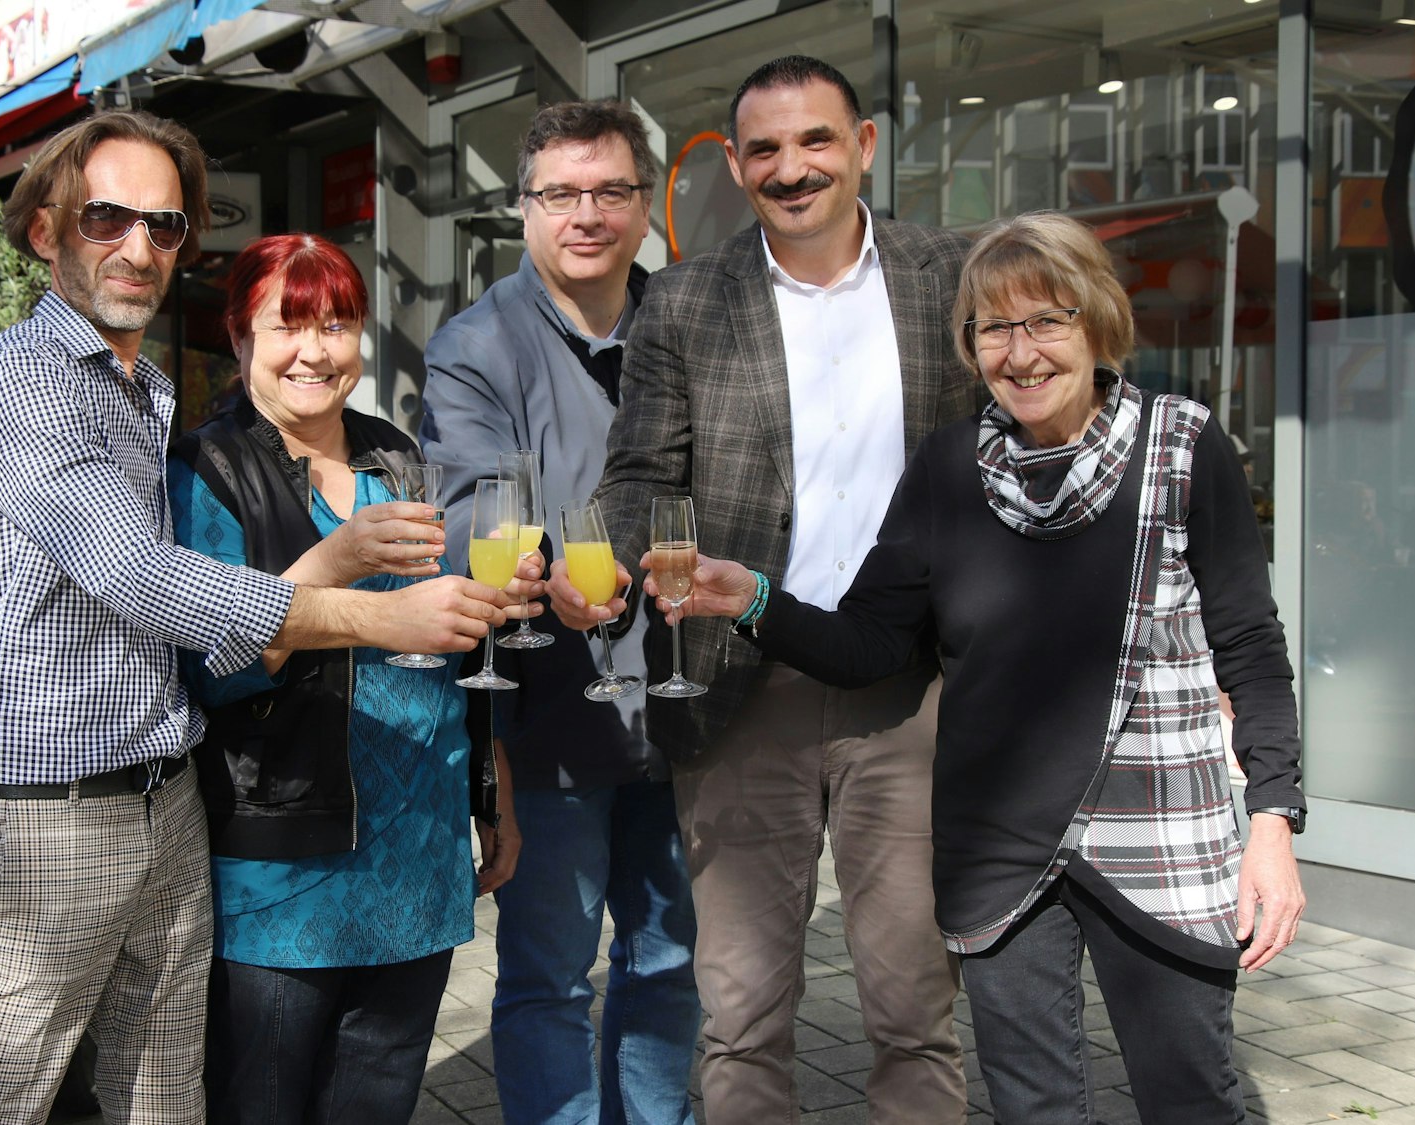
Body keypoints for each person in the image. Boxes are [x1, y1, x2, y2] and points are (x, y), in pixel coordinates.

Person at [644, 210, 1307, 1123]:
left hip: (1158, 833)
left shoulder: (1182, 445)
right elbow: (869, 644)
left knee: (1189, 1098)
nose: (1020, 352)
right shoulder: (950, 466)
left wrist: (1271, 820)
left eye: (1047, 321)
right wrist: (751, 596)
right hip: (1002, 844)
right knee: (1033, 1108)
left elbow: (1251, 647)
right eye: (995, 327)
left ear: (1097, 322)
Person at [0, 110, 505, 1125]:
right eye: (106, 219)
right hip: (52, 817)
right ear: (45, 230)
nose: (138, 246)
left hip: (166, 799)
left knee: (163, 1101)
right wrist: (368, 611)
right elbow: (139, 577)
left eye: (163, 225)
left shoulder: (141, 390)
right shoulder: (23, 381)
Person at [551, 57, 974, 1123]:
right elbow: (641, 476)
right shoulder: (686, 300)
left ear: (863, 145)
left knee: (914, 1012)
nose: (793, 168)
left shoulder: (949, 277)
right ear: (736, 167)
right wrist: (615, 562)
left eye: (816, 140)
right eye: (766, 150)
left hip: (910, 692)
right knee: (740, 1021)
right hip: (740, 682)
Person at [169, 232, 519, 1125]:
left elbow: (453, 644)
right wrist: (334, 560)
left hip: (417, 857)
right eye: (288, 325)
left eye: (337, 324)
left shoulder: (394, 455)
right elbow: (212, 671)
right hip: (284, 874)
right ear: (239, 337)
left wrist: (491, 787)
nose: (315, 351)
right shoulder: (207, 471)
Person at [420, 100, 700, 1125]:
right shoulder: (474, 346)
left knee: (669, 963)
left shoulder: (688, 325)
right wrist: (539, 568)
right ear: (524, 207)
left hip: (685, 703)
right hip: (546, 715)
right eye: (561, 194)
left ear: (643, 205)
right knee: (548, 977)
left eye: (610, 191)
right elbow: (469, 510)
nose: (587, 214)